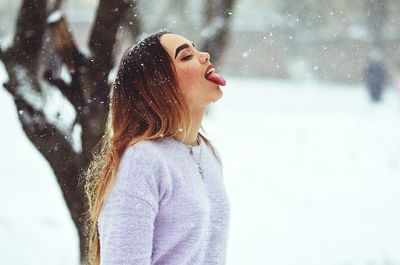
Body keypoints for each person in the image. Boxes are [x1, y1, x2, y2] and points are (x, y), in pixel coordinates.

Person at [84, 30, 230, 265]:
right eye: (186, 57)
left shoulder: (209, 155)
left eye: (195, 49)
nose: (204, 55)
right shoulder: (142, 160)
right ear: (158, 86)